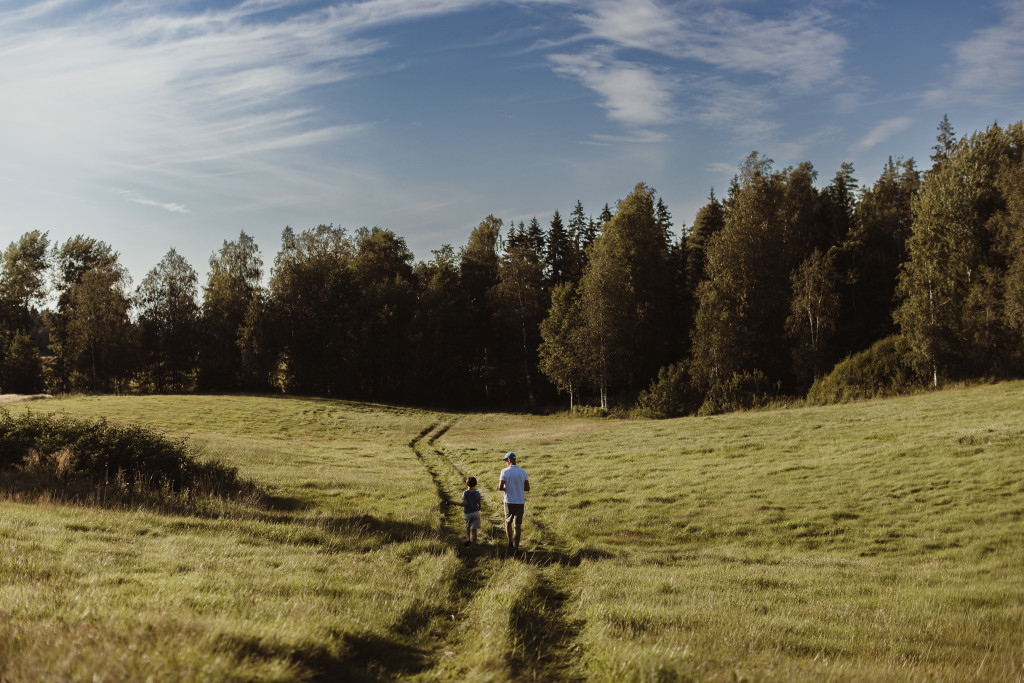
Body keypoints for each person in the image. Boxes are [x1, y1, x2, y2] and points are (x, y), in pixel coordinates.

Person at [498, 452, 529, 552]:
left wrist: (506, 487)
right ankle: (516, 546)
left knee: (508, 523)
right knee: (517, 525)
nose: (506, 463)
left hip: (508, 501)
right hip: (520, 501)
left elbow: (500, 487)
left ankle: (510, 542)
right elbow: (527, 487)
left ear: (509, 460)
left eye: (506, 461)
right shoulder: (523, 471)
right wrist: (519, 487)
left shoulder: (504, 471)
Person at [444, 477, 482, 546]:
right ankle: (474, 542)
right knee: (474, 529)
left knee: (468, 526)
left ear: (466, 484)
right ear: (475, 484)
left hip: (468, 513)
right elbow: (479, 504)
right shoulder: (477, 493)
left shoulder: (466, 493)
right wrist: (479, 507)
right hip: (476, 513)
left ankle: (468, 539)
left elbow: (464, 504)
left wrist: (453, 502)